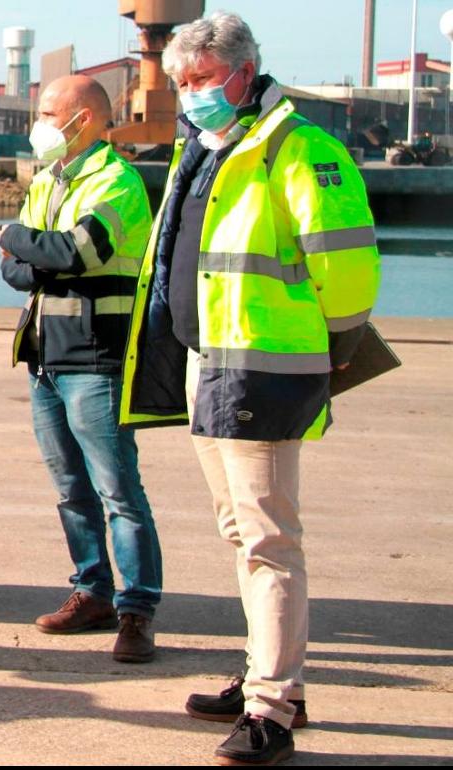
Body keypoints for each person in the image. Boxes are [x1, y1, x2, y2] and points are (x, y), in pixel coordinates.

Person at [118, 12, 380, 765]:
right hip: (214, 364)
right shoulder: (209, 147)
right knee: (241, 532)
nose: (192, 95)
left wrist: (334, 348)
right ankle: (268, 673)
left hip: (265, 367)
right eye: (182, 84)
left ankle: (273, 707)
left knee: (269, 539)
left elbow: (349, 266)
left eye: (201, 81)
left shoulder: (298, 149)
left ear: (243, 70)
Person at [0, 75, 161, 663]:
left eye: (45, 113)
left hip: (97, 358)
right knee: (70, 489)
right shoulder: (47, 180)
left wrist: (17, 237)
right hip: (44, 357)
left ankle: (137, 610)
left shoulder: (118, 182)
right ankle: (90, 591)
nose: (37, 124)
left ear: (83, 119)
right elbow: (15, 270)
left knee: (117, 489)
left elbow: (75, 252)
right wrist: (32, 253)